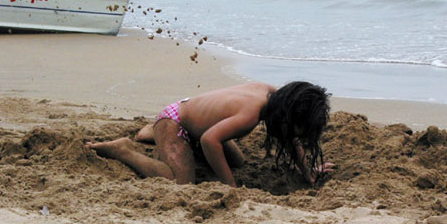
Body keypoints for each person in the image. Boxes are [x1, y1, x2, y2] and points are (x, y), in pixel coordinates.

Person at [86, 81, 333, 187]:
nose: (299, 137)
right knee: (181, 182)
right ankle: (123, 149)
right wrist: (231, 187)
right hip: (176, 121)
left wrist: (308, 173)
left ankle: (152, 135)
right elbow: (209, 140)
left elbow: (290, 138)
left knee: (237, 162)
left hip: (196, 123)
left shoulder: (273, 95)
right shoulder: (250, 115)